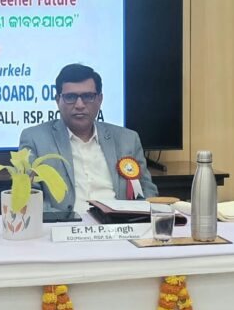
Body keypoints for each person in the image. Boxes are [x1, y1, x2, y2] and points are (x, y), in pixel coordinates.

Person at [19, 64, 158, 213]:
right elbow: (29, 197)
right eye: (70, 97)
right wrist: (67, 221)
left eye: (87, 96)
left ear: (100, 99)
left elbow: (147, 191)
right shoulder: (35, 139)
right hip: (66, 223)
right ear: (58, 100)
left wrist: (133, 216)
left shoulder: (128, 139)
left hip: (120, 223)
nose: (79, 105)